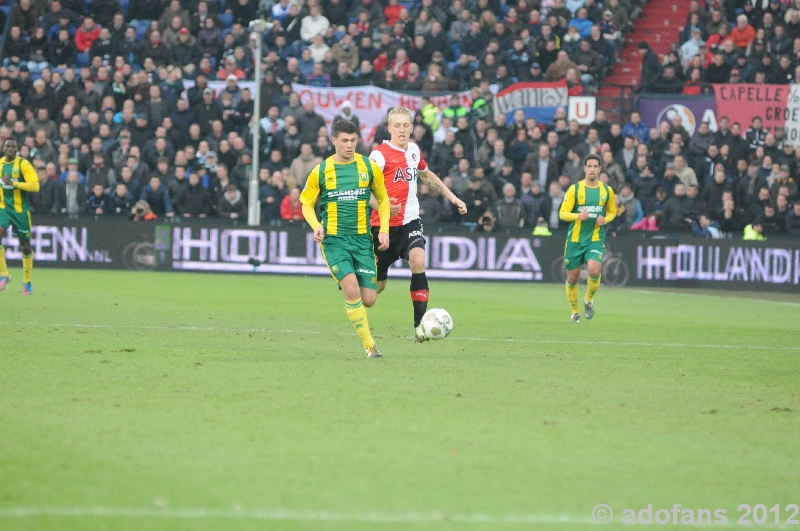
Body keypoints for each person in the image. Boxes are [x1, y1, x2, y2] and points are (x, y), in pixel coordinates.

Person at [367, 106, 468, 341]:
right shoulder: (379, 155)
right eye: (397, 126)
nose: (402, 130)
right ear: (390, 128)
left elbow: (427, 175)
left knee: (418, 260)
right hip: (381, 228)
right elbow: (364, 190)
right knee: (375, 291)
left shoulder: (414, 150)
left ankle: (420, 327)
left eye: (406, 126)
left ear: (412, 128)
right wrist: (380, 206)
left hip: (410, 221)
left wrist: (453, 198)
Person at [299, 119, 391, 358]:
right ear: (334, 141)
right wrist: (316, 225)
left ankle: (367, 335)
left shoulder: (368, 167)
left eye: (353, 140)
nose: (349, 145)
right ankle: (370, 346)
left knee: (369, 299)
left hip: (362, 241)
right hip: (334, 241)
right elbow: (306, 204)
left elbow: (383, 200)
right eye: (344, 141)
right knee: (352, 291)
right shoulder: (321, 171)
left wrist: (384, 230)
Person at [559, 153, 617, 323]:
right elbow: (563, 213)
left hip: (595, 238)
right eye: (589, 166)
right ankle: (575, 311)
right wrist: (577, 216)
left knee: (594, 270)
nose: (592, 169)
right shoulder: (575, 189)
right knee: (573, 277)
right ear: (584, 168)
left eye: (595, 166)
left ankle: (589, 299)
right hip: (575, 240)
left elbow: (612, 211)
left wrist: (604, 219)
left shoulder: (607, 191)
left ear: (600, 169)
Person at [0, 139, 39, 295]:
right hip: (3, 208)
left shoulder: (23, 164)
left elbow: (35, 186)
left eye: (12, 146)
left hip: (20, 211)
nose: (10, 149)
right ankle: (3, 274)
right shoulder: (0, 164)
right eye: (7, 146)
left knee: (25, 245)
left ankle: (26, 281)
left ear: (16, 149)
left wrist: (14, 184)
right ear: (3, 149)